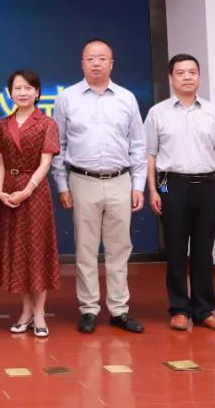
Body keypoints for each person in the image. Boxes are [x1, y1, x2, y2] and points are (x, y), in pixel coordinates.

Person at [53, 39, 147, 334]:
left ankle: (119, 309)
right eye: (90, 58)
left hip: (120, 180)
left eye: (102, 58)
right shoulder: (67, 98)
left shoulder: (126, 98)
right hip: (82, 181)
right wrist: (62, 185)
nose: (96, 63)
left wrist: (138, 185)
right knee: (85, 249)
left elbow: (138, 145)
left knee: (120, 249)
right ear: (82, 63)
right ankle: (89, 309)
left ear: (112, 63)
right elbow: (58, 145)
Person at [145, 54, 215, 333]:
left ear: (199, 77)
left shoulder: (212, 112)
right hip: (170, 184)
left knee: (203, 250)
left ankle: (204, 310)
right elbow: (149, 155)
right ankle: (179, 310)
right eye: (181, 72)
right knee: (175, 250)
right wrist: (154, 190)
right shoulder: (157, 113)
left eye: (192, 72)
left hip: (207, 185)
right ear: (171, 78)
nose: (187, 77)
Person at [0, 69, 61, 338]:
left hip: (35, 192)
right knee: (19, 252)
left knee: (37, 252)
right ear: (10, 93)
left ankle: (39, 313)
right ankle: (25, 312)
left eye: (28, 88)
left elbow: (46, 162)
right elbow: (0, 161)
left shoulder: (47, 123)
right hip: (9, 193)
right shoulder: (3, 124)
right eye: (17, 88)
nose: (23, 92)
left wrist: (27, 190)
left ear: (37, 92)